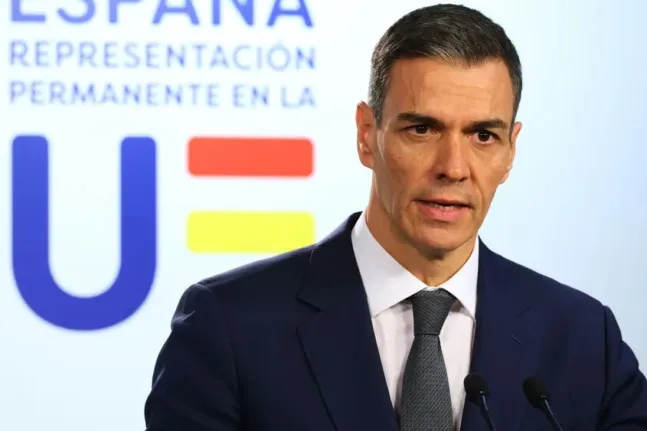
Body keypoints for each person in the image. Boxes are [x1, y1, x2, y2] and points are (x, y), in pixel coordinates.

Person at [144, 4, 647, 431]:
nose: (453, 168)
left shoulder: (584, 338)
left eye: (483, 136)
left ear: (511, 150)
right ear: (367, 134)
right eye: (422, 130)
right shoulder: (230, 326)